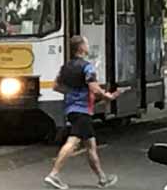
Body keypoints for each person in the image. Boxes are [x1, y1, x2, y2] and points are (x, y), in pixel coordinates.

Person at [44, 35, 121, 189]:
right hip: (82, 111)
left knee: (91, 145)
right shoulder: (87, 67)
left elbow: (56, 87)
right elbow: (94, 88)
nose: (88, 46)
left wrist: (73, 93)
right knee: (72, 142)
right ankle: (54, 174)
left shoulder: (65, 67)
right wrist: (107, 96)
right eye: (86, 44)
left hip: (71, 109)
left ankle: (102, 178)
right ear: (81, 48)